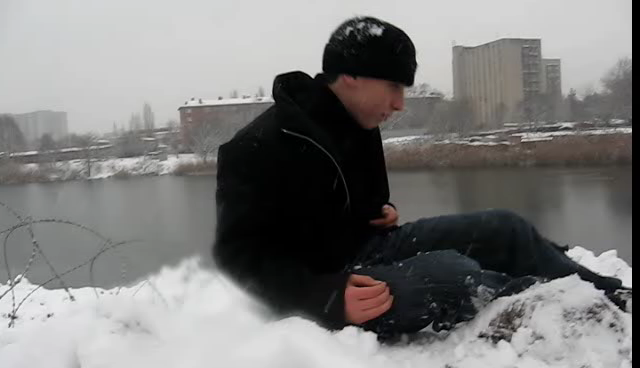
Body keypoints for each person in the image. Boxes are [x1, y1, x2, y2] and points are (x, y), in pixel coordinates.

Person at [213, 16, 631, 339]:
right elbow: (237, 259)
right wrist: (323, 298)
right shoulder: (257, 147)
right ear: (352, 75)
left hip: (370, 250)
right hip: (329, 284)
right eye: (394, 87)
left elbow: (356, 203)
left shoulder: (360, 122)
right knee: (451, 276)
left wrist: (380, 212)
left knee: (504, 227)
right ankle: (555, 305)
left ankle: (607, 292)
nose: (400, 104)